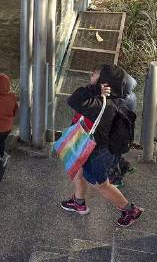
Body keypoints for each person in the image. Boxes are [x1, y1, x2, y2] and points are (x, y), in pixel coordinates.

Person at [61, 64, 144, 227]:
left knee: (101, 185)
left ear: (104, 83)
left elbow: (73, 99)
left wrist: (94, 91)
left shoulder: (100, 104)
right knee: (79, 171)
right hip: (97, 146)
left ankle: (130, 210)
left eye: (94, 75)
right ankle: (78, 202)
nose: (91, 77)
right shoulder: (117, 98)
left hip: (97, 151)